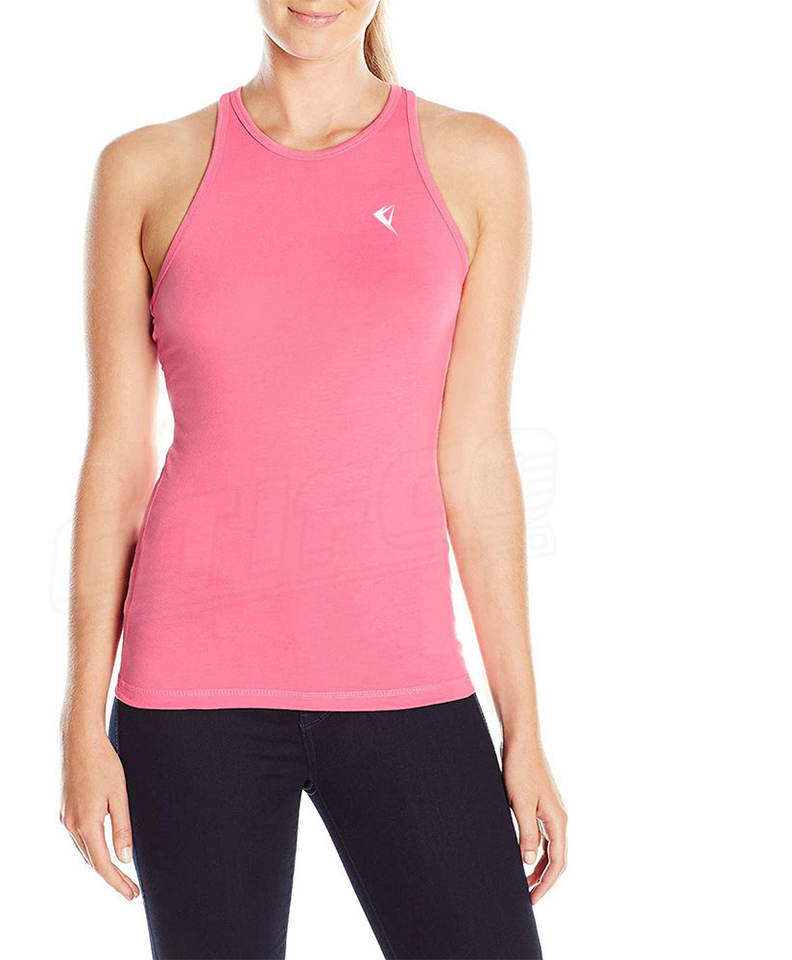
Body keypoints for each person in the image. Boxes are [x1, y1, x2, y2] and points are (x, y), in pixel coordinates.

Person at [60, 2, 567, 957]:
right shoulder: (145, 170)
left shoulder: (475, 162)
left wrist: (524, 727)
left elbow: (476, 457)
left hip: (404, 681)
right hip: (188, 700)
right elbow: (117, 460)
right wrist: (81, 725)